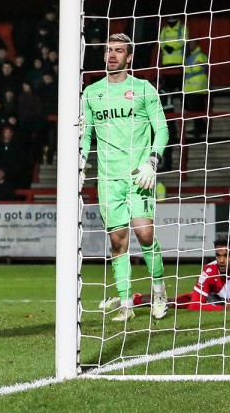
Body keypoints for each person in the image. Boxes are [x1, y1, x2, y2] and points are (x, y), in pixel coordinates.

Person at [81, 33, 170, 321]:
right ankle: (125, 303)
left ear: (129, 57)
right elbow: (86, 133)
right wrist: (81, 162)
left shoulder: (143, 88)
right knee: (118, 241)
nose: (112, 55)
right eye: (109, 50)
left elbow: (162, 128)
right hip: (108, 179)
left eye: (119, 51)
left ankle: (159, 291)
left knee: (145, 234)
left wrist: (152, 162)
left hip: (138, 175)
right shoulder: (91, 93)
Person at [182, 40, 209, 140]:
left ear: (197, 45)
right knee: (194, 109)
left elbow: (198, 68)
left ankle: (200, 129)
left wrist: (187, 69)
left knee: (196, 110)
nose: (190, 46)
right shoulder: (190, 56)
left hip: (198, 88)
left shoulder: (200, 56)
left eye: (192, 44)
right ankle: (201, 128)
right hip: (191, 88)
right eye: (189, 44)